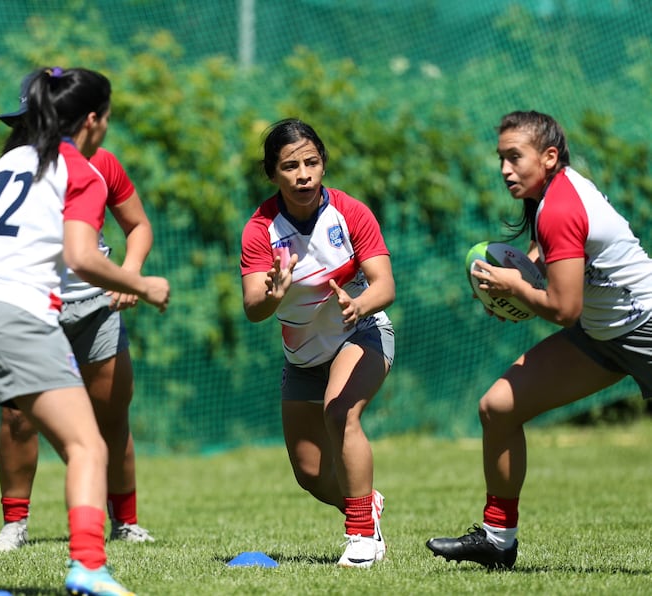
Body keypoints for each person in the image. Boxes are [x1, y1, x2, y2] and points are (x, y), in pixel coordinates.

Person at [0, 67, 169, 596]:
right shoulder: (79, 169)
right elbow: (82, 256)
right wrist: (142, 284)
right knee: (87, 446)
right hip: (18, 316)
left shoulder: (2, 166)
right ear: (93, 120)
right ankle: (88, 566)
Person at [426, 110, 652, 570]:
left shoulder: (561, 207)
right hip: (599, 336)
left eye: (514, 157)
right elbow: (547, 262)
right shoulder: (553, 193)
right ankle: (497, 540)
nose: (505, 169)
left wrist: (518, 290)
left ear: (549, 157)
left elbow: (562, 309)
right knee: (498, 408)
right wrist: (520, 284)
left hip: (643, 327)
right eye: (501, 159)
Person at [239, 118, 396, 568]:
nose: (303, 174)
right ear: (273, 174)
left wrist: (360, 306)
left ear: (323, 163)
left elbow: (384, 285)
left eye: (311, 162)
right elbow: (254, 308)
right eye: (290, 166)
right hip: (304, 358)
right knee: (310, 474)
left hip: (362, 333)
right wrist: (274, 291)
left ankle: (362, 538)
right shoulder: (259, 230)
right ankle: (367, 502)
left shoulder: (350, 212)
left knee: (339, 410)